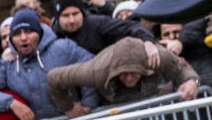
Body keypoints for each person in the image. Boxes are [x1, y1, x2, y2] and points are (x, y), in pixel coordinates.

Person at [0, 8, 97, 120]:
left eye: (28, 31)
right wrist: (11, 103)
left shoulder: (63, 48)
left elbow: (90, 66)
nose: (23, 38)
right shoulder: (7, 63)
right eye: (17, 34)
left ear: (39, 32)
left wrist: (88, 105)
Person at [45, 36, 201, 113]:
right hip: (112, 108)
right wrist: (68, 107)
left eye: (134, 73)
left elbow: (182, 67)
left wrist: (191, 80)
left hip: (146, 104)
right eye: (123, 74)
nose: (128, 78)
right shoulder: (96, 70)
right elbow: (54, 77)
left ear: (144, 68)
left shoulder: (158, 58)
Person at [50, 0, 154, 54]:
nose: (71, 20)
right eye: (66, 15)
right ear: (58, 17)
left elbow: (132, 27)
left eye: (75, 14)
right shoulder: (53, 35)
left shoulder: (97, 23)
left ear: (82, 12)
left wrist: (148, 42)